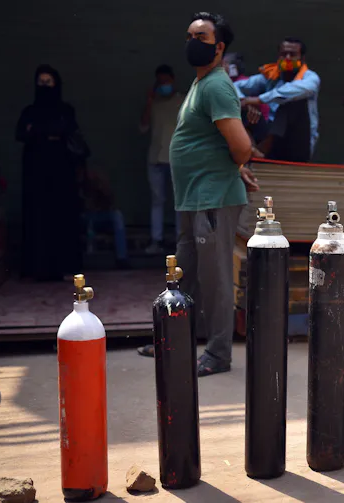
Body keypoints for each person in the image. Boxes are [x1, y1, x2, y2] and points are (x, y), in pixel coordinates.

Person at [138, 12, 258, 378]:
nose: (193, 41)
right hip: (193, 197)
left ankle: (219, 354)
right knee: (185, 273)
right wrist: (234, 166)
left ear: (219, 47)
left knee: (216, 277)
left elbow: (241, 145)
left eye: (202, 36)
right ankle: (173, 339)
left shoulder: (217, 86)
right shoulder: (200, 83)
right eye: (190, 34)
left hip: (212, 198)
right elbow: (212, 140)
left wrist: (235, 166)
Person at [16, 65, 84, 281]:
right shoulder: (29, 111)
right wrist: (49, 132)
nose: (44, 87)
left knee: (60, 216)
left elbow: (66, 130)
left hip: (60, 172)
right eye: (41, 82)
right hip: (36, 172)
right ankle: (37, 267)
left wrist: (38, 131)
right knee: (37, 217)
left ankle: (61, 266)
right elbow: (21, 133)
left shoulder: (65, 110)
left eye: (49, 82)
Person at [233, 38, 320, 162]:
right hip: (271, 142)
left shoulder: (310, 78)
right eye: (284, 54)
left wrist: (258, 100)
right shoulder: (272, 75)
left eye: (293, 55)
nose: (288, 58)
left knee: (291, 102)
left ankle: (262, 151)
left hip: (297, 146)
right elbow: (235, 86)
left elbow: (290, 92)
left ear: (302, 58)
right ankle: (251, 151)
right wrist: (245, 102)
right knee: (240, 105)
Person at [140, 64, 185, 255]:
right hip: (155, 158)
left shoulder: (183, 101)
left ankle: (180, 242)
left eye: (166, 81)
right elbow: (142, 128)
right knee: (157, 200)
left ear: (173, 80)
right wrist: (149, 101)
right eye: (160, 82)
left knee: (180, 203)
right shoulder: (154, 103)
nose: (164, 85)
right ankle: (156, 240)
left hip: (177, 159)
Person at [79, 168, 129, 269]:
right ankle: (88, 257)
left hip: (101, 214)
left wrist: (101, 188)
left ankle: (122, 258)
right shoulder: (79, 183)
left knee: (117, 216)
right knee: (88, 221)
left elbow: (110, 202)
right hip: (87, 217)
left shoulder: (100, 182)